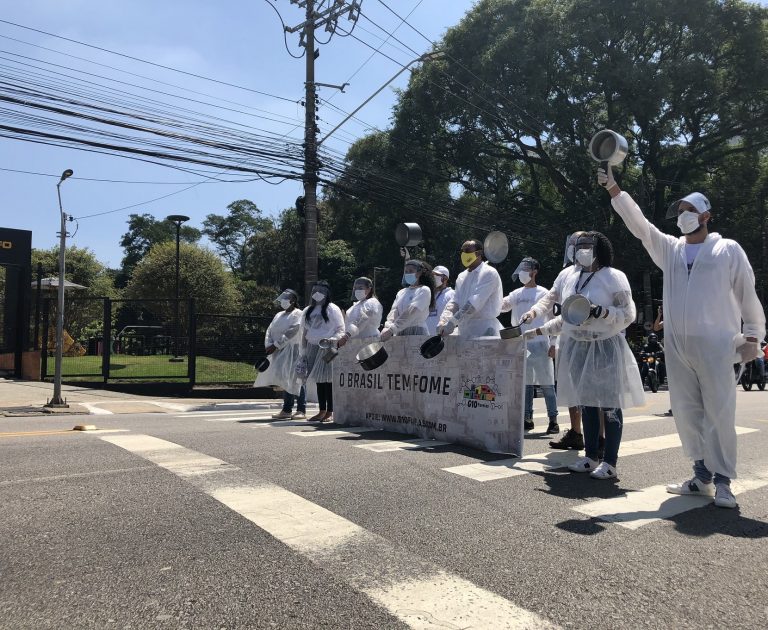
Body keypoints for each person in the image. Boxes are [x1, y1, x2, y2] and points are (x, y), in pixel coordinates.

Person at [599, 165, 765, 507]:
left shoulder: (728, 250)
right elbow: (642, 228)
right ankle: (701, 475)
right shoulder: (671, 250)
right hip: (678, 347)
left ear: (706, 215)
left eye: (690, 210)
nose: (683, 216)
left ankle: (723, 482)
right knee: (688, 413)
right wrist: (615, 189)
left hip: (718, 345)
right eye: (680, 211)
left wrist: (753, 336)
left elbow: (747, 293)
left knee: (720, 414)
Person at [532, 231, 645, 480]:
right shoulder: (572, 278)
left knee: (609, 404)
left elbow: (628, 314)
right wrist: (539, 329)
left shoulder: (613, 277)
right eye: (578, 245)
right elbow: (567, 317)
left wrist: (601, 312)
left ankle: (610, 462)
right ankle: (591, 456)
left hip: (605, 346)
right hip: (578, 347)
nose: (581, 249)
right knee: (587, 403)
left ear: (600, 248)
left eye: (587, 245)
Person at [521, 231, 588, 451]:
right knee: (569, 388)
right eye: (572, 243)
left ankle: (599, 440)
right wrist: (533, 312)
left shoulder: (598, 272)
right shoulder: (565, 273)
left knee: (590, 392)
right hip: (568, 339)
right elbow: (550, 298)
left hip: (591, 339)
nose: (574, 247)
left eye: (580, 243)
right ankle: (576, 433)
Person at [500, 257, 559, 434]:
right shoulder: (516, 294)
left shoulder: (544, 293)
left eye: (526, 269)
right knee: (525, 384)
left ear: (534, 272)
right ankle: (527, 418)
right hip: (521, 343)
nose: (522, 273)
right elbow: (502, 306)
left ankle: (553, 419)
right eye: (521, 268)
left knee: (547, 383)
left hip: (541, 342)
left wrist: (554, 343)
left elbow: (553, 320)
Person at [296, 281, 345, 422]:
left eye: (320, 290)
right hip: (312, 346)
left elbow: (340, 329)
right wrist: (303, 349)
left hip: (327, 347)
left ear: (327, 293)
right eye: (314, 290)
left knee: (327, 379)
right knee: (319, 380)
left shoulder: (333, 309)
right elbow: (304, 330)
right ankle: (321, 410)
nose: (317, 293)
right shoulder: (308, 310)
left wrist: (332, 340)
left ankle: (330, 411)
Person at [437, 239, 503, 338]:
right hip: (464, 330)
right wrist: (444, 319)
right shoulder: (462, 276)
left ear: (479, 253)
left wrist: (453, 322)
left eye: (467, 251)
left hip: (484, 330)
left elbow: (473, 305)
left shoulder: (489, 273)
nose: (464, 254)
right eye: (462, 251)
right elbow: (455, 301)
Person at [256, 289, 305, 420]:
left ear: (293, 301)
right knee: (284, 379)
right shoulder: (278, 315)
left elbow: (293, 330)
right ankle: (287, 410)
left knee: (296, 378)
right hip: (278, 351)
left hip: (293, 350)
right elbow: (270, 330)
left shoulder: (298, 314)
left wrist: (276, 344)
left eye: (286, 298)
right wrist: (269, 344)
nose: (282, 301)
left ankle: (301, 409)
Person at [380, 260, 435, 339]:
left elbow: (412, 311)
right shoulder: (401, 292)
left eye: (411, 271)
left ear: (419, 273)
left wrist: (392, 329)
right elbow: (394, 311)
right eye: (406, 271)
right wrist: (387, 326)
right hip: (399, 332)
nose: (408, 274)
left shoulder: (424, 290)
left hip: (417, 333)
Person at [337, 277, 383, 347]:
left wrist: (346, 336)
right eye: (356, 288)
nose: (357, 290)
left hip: (369, 342)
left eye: (361, 288)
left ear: (369, 289)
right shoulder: (356, 305)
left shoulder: (372, 302)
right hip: (357, 343)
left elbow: (363, 319)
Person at [425, 265, 455, 335]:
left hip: (442, 339)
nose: (433, 277)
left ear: (445, 278)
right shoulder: (429, 294)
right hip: (426, 338)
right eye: (433, 275)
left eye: (437, 275)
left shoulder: (452, 294)